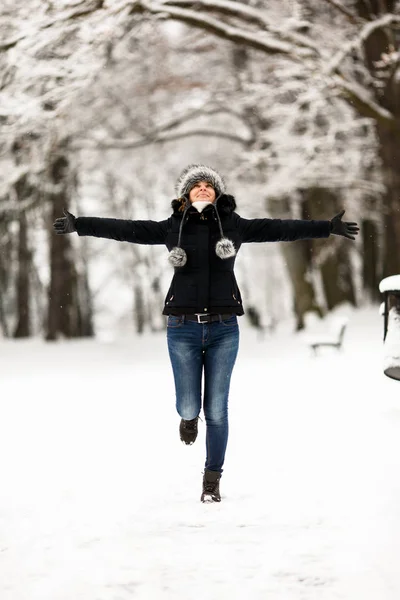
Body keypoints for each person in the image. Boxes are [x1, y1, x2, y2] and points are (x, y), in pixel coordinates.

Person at [53, 164, 359, 503]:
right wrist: (80, 224)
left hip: (224, 328)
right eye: (195, 185)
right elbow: (126, 229)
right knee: (188, 403)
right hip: (181, 327)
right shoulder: (172, 228)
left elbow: (280, 228)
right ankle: (187, 418)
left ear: (217, 193)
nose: (201, 188)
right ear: (186, 194)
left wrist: (326, 227)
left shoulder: (234, 225)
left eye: (207, 185)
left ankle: (211, 480)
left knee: (217, 409)